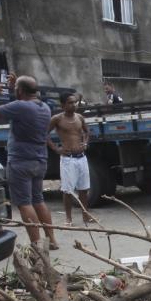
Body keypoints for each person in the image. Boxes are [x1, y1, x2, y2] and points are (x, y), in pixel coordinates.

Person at [0, 73, 58, 249]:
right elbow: (20, 99)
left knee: (24, 203)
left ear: (21, 91)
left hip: (20, 161)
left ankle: (37, 244)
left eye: (16, 89)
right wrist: (15, 86)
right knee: (38, 200)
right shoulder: (44, 107)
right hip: (39, 160)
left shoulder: (21, 107)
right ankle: (51, 240)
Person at [48, 93, 92, 226]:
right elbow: (44, 134)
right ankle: (68, 218)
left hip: (81, 158)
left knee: (84, 189)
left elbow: (87, 131)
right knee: (68, 190)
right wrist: (56, 149)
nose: (74, 105)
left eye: (75, 102)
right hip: (68, 159)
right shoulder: (57, 119)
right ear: (63, 105)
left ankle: (86, 216)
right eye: (70, 103)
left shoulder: (80, 117)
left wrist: (85, 143)